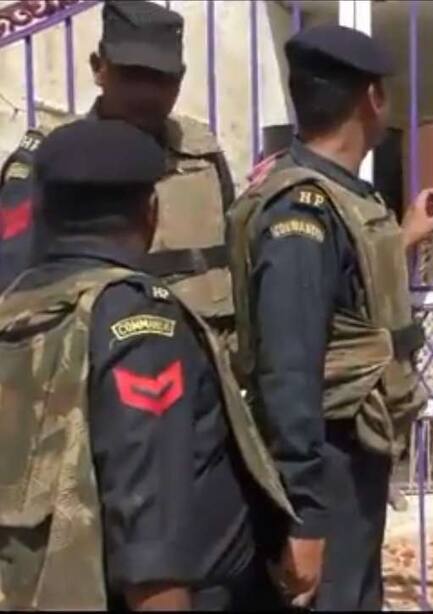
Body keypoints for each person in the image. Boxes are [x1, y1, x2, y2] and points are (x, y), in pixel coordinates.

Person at [0, 120, 293, 610]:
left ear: (41, 211)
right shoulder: (135, 318)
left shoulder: (17, 308)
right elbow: (148, 528)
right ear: (151, 212)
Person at [227, 24, 433, 609]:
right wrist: (306, 515)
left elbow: (342, 289)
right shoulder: (300, 209)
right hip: (325, 459)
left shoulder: (341, 196)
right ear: (373, 98)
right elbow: (289, 364)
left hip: (351, 453)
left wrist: (403, 238)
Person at [0, 0, 235, 336]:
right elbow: (11, 294)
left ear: (180, 79)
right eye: (132, 75)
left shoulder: (202, 153)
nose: (146, 93)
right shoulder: (53, 159)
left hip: (195, 357)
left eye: (160, 79)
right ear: (99, 68)